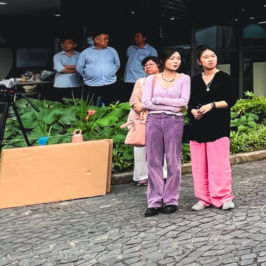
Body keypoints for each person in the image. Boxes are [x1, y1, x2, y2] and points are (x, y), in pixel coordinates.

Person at [186, 46, 237, 211]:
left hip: (218, 126)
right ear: (199, 61)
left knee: (219, 164)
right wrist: (193, 111)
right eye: (206, 56)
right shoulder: (193, 80)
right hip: (198, 127)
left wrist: (213, 105)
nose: (210, 59)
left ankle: (224, 197)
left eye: (213, 56)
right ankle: (203, 198)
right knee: (199, 166)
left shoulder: (224, 77)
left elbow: (231, 99)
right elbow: (189, 103)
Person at [142, 48, 190, 216]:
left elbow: (184, 102)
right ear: (163, 61)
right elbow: (146, 103)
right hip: (153, 120)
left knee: (173, 161)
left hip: (174, 121)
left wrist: (160, 100)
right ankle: (154, 201)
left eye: (178, 58)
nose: (176, 61)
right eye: (171, 58)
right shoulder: (151, 80)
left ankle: (171, 200)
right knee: (153, 160)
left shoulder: (184, 79)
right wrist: (172, 105)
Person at [126, 56, 160, 186]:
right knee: (140, 149)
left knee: (159, 148)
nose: (148, 67)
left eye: (151, 64)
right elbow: (133, 99)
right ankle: (142, 176)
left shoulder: (164, 81)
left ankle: (161, 175)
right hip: (139, 119)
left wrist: (145, 106)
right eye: (145, 65)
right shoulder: (140, 81)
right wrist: (137, 106)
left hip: (157, 117)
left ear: (159, 66)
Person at [77, 32, 121, 105]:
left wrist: (111, 73)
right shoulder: (85, 53)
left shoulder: (112, 51)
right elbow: (79, 68)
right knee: (92, 106)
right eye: (105, 39)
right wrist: (88, 76)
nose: (107, 40)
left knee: (111, 105)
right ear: (96, 40)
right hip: (91, 84)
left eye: (108, 39)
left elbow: (117, 65)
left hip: (110, 83)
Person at [52, 37, 82, 101]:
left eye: (68, 43)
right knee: (61, 106)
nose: (65, 45)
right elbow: (61, 70)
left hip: (76, 84)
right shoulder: (57, 56)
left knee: (76, 106)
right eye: (64, 43)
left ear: (75, 45)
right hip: (61, 85)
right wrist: (76, 68)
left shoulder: (80, 55)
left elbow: (83, 68)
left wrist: (67, 66)